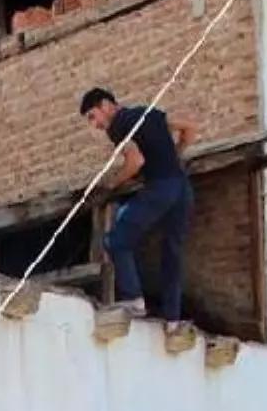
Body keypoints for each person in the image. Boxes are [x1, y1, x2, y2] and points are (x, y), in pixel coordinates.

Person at [79, 87, 197, 332]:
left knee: (116, 240)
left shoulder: (118, 124)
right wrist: (174, 155)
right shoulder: (148, 113)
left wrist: (112, 183)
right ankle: (172, 322)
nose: (95, 125)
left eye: (92, 116)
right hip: (181, 188)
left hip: (161, 189)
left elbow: (135, 161)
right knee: (171, 254)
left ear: (106, 105)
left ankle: (134, 300)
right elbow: (189, 128)